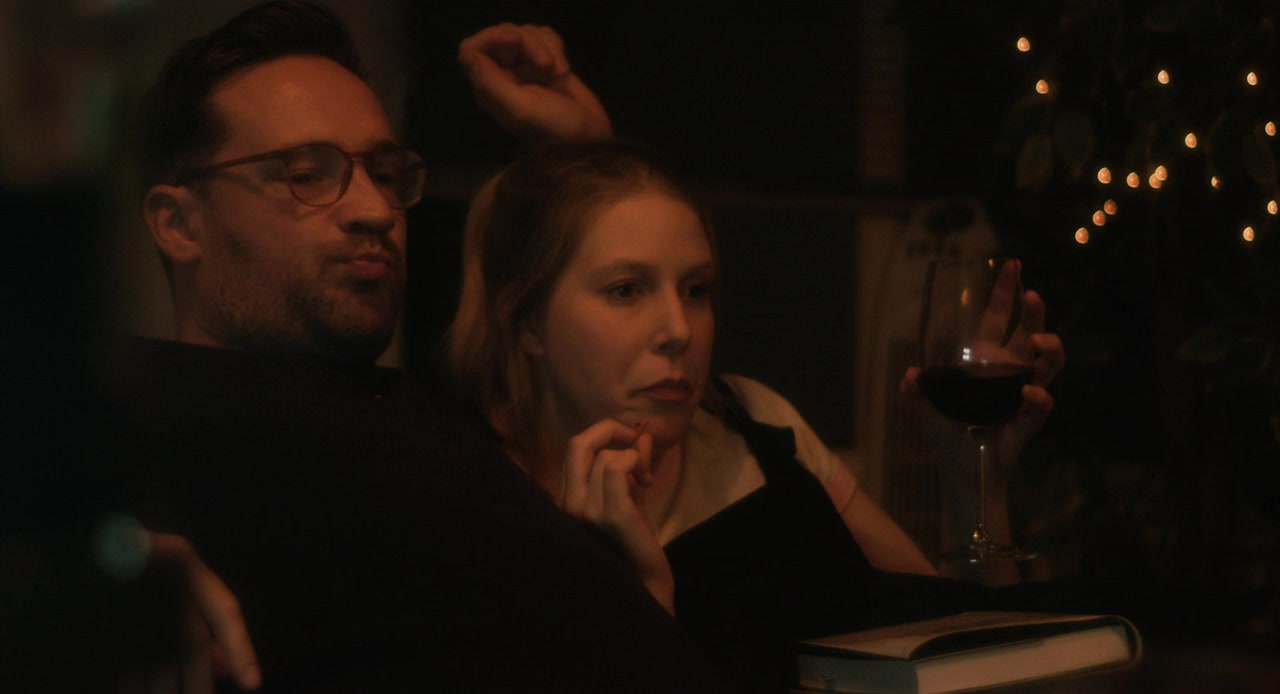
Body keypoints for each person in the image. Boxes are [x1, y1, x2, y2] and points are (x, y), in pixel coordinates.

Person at [99, 2, 722, 692]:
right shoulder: (131, 421)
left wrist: (581, 148)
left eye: (386, 173)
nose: (375, 210)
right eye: (307, 172)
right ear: (179, 225)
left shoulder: (426, 424)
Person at [443, 138, 1066, 691]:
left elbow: (963, 656)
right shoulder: (476, 508)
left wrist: (974, 482)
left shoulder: (753, 421)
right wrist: (635, 594)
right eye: (626, 290)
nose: (679, 330)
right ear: (527, 324)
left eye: (696, 290)